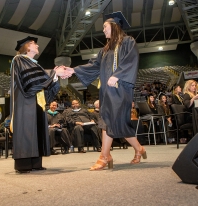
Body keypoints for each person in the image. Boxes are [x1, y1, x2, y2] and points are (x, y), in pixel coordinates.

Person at [57, 11, 146, 170]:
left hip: (120, 88)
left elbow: (131, 59)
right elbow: (94, 65)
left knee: (108, 120)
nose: (103, 30)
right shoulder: (105, 49)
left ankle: (105, 156)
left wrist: (118, 75)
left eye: (105, 27)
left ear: (114, 26)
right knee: (116, 122)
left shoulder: (127, 41)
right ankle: (138, 149)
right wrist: (74, 70)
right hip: (107, 90)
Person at [10, 36, 65, 173]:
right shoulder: (19, 59)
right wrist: (53, 73)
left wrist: (55, 76)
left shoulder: (34, 63)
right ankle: (24, 164)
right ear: (27, 47)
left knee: (36, 129)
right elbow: (31, 79)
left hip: (36, 100)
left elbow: (40, 79)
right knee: (27, 129)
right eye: (34, 44)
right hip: (25, 99)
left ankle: (35, 162)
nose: (38, 46)